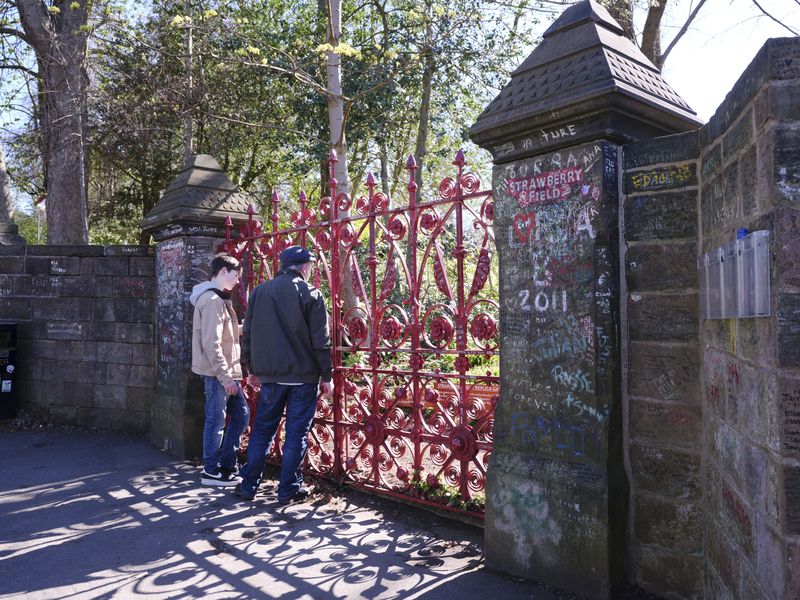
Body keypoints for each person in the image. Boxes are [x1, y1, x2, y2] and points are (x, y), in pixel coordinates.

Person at [236, 245, 333, 504]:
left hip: (271, 375)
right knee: (296, 434)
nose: (311, 268)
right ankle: (288, 487)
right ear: (303, 267)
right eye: (310, 265)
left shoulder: (259, 292)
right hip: (303, 377)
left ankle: (248, 486)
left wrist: (252, 368)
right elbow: (320, 340)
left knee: (262, 431)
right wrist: (327, 376)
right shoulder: (311, 293)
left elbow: (249, 333)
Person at [189, 253, 250, 487]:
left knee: (241, 415)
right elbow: (211, 343)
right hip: (219, 374)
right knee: (216, 420)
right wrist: (225, 378)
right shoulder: (213, 301)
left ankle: (226, 464)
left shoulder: (218, 299)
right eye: (235, 275)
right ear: (223, 271)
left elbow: (225, 335)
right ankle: (211, 471)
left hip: (226, 372)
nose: (237, 281)